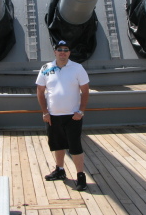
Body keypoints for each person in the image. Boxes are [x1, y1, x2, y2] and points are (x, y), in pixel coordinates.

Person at [36, 40, 90, 191]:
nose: (62, 52)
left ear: (69, 53)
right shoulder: (46, 68)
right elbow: (40, 91)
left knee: (75, 147)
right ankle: (60, 170)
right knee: (57, 144)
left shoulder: (77, 68)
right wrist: (45, 112)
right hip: (53, 116)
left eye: (66, 50)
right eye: (59, 49)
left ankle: (80, 176)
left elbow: (85, 91)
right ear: (55, 52)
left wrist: (81, 111)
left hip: (73, 116)